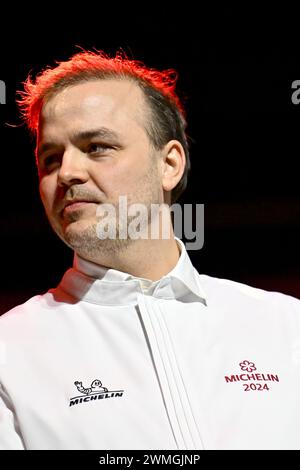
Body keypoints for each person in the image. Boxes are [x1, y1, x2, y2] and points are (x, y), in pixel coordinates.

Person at [0, 49, 299, 451]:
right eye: (50, 158)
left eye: (97, 147)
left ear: (170, 164)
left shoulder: (286, 327)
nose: (67, 173)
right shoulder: (10, 353)